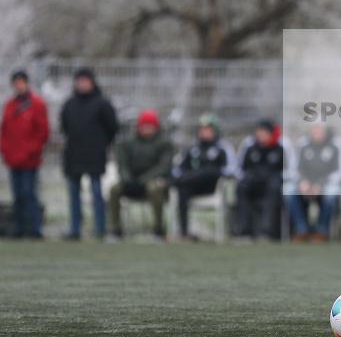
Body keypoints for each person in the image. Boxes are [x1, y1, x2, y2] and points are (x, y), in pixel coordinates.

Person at [60, 67, 119, 240]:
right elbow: (64, 128)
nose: (82, 84)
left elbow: (113, 128)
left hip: (95, 155)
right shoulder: (69, 104)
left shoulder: (102, 104)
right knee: (73, 194)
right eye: (79, 81)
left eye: (85, 81)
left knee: (96, 193)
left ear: (92, 82)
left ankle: (99, 228)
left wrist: (101, 144)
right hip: (74, 156)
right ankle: (75, 229)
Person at [108, 109, 174, 240]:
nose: (147, 129)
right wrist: (128, 180)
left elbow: (163, 167)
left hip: (153, 181)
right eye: (144, 126)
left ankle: (158, 230)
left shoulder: (165, 144)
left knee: (154, 188)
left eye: (150, 126)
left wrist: (142, 180)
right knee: (114, 189)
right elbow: (122, 164)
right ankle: (115, 229)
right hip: (131, 181)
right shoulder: (127, 144)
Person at [1, 70, 50, 238]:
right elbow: (5, 131)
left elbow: (42, 133)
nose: (18, 86)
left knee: (29, 194)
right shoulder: (9, 105)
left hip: (30, 160)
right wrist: (6, 151)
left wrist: (29, 152)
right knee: (17, 195)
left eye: (21, 82)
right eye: (16, 83)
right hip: (13, 159)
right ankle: (19, 228)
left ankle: (34, 229)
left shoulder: (37, 104)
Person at [170, 113, 235, 240]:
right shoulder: (192, 149)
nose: (204, 132)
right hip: (192, 186)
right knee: (182, 189)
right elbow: (179, 168)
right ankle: (184, 232)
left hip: (212, 186)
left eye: (208, 129)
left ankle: (178, 181)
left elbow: (230, 170)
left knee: (208, 171)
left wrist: (211, 172)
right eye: (202, 129)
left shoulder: (222, 148)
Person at [289, 124, 341, 242]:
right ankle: (301, 229)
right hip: (306, 183)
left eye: (320, 129)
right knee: (288, 190)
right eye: (314, 129)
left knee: (331, 192)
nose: (317, 132)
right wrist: (302, 181)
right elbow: (295, 168)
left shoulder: (336, 144)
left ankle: (322, 230)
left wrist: (321, 184)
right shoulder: (303, 144)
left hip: (326, 183)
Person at [234, 119, 285, 240]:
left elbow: (288, 170)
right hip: (253, 182)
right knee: (242, 188)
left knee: (273, 188)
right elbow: (239, 168)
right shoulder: (250, 147)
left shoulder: (280, 148)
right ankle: (243, 230)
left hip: (271, 183)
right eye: (259, 132)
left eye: (264, 132)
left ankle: (266, 231)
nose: (261, 135)